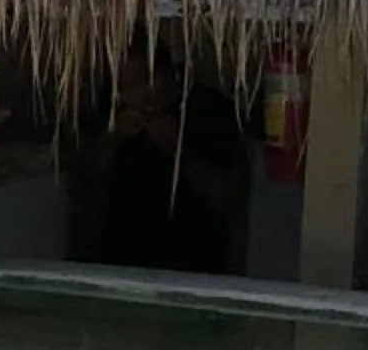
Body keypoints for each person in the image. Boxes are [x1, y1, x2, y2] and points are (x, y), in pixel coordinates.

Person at [95, 45, 251, 274]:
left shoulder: (210, 111)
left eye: (134, 84)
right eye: (120, 86)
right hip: (123, 266)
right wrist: (111, 138)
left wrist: (178, 151)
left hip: (193, 265)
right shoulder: (113, 110)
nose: (125, 95)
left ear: (159, 77)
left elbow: (232, 200)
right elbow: (83, 178)